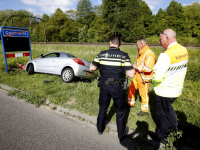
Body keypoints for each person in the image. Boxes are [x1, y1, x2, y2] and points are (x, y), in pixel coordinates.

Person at [89, 34, 135, 140]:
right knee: (120, 111)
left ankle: (100, 129)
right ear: (119, 44)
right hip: (118, 87)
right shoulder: (124, 55)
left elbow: (92, 68)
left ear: (110, 43)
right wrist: (132, 67)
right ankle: (121, 135)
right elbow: (131, 75)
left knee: (103, 108)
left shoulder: (101, 54)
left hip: (104, 86)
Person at [150, 29, 188, 144]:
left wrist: (150, 80)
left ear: (167, 38)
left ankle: (163, 135)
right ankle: (175, 126)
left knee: (162, 114)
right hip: (177, 88)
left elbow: (157, 77)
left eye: (160, 39)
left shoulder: (165, 55)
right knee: (168, 107)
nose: (159, 42)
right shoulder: (183, 49)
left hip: (164, 91)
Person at [127, 38, 156, 116]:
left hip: (143, 77)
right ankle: (130, 103)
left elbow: (148, 68)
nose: (136, 46)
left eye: (137, 44)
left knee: (143, 93)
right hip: (137, 75)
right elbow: (138, 63)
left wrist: (136, 67)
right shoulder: (141, 52)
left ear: (142, 45)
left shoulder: (149, 54)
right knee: (131, 88)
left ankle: (144, 110)